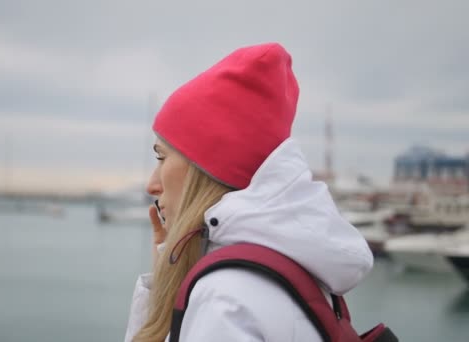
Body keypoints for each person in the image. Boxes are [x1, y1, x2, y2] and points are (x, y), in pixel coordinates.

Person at [124, 42, 373, 342]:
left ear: (203, 171)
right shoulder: (292, 272)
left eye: (162, 157)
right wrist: (168, 276)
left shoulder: (224, 300)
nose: (152, 183)